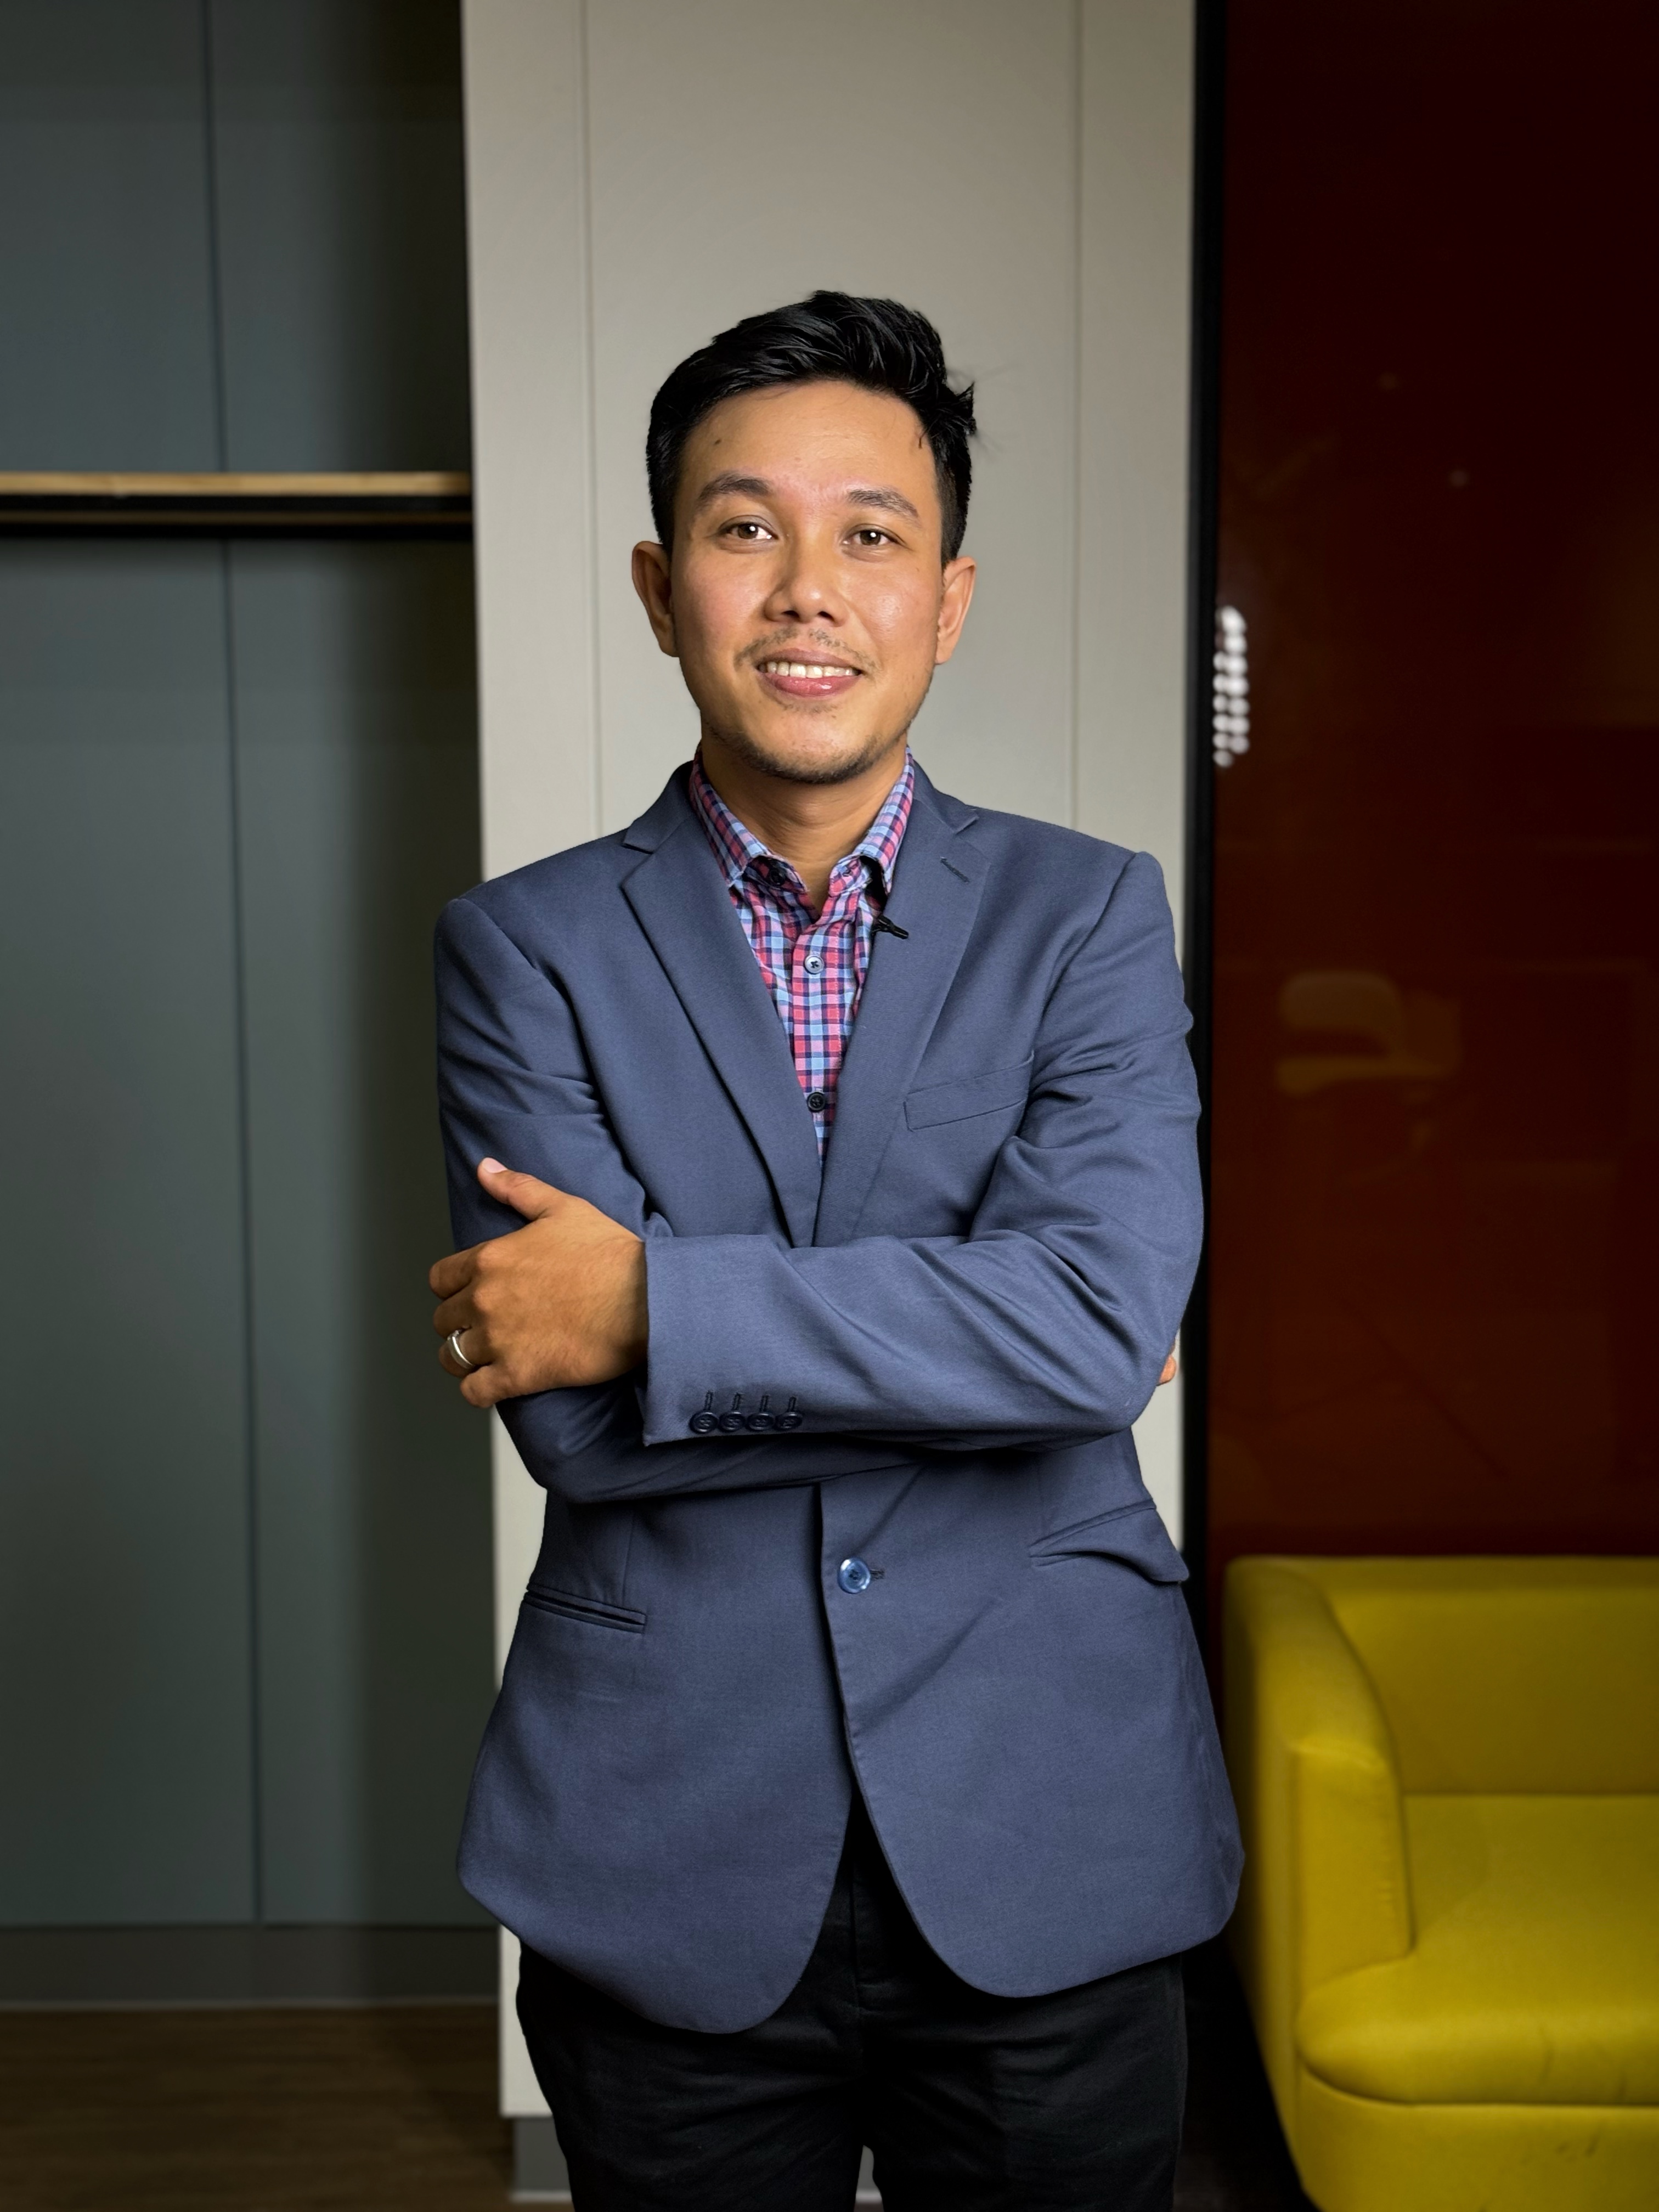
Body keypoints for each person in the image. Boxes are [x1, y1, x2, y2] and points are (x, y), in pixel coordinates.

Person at [428, 291, 1240, 2211]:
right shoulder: (523, 948)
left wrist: (653, 1303)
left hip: (1052, 1821)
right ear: (661, 589)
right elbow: (577, 1428)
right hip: (666, 1847)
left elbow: (1094, 1322)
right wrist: (1014, 1357)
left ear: (945, 601)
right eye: (745, 528)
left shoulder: (1089, 917)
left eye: (872, 534)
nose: (810, 589)